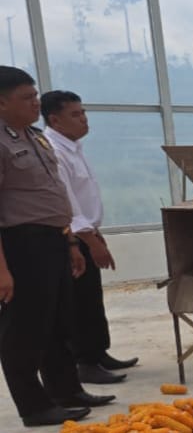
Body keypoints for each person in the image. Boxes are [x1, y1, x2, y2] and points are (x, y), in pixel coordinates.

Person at [0, 67, 113, 426]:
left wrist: (71, 244)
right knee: (25, 328)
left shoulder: (35, 138)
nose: (36, 103)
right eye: (27, 98)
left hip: (54, 239)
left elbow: (55, 196)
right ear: (1, 103)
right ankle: (33, 406)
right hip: (22, 243)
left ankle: (66, 391)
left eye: (35, 95)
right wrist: (2, 270)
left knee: (58, 321)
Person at [42, 90, 137, 385]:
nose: (84, 119)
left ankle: (97, 352)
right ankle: (84, 360)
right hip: (72, 237)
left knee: (92, 297)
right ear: (55, 120)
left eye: (83, 112)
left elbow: (84, 198)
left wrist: (96, 233)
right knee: (79, 300)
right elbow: (69, 206)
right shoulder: (54, 151)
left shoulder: (73, 146)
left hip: (87, 231)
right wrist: (89, 241)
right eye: (75, 114)